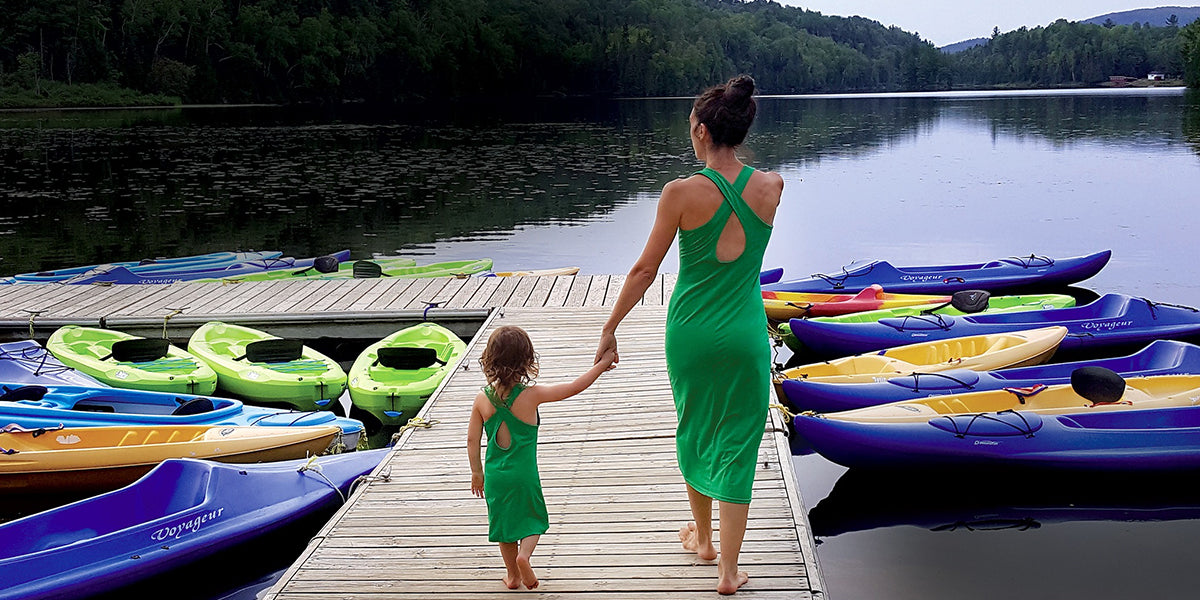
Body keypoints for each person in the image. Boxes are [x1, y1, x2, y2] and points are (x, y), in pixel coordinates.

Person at [593, 74, 782, 595]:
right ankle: (727, 570)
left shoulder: (679, 194)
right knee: (739, 442)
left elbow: (642, 272)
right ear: (739, 130)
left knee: (696, 427)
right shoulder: (772, 187)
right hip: (744, 333)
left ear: (700, 131)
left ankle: (703, 539)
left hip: (691, 332)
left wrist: (610, 327)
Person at [467, 325, 617, 590]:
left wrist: (477, 473)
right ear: (527, 360)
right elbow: (573, 387)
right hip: (524, 476)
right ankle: (525, 556)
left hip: (495, 477)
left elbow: (472, 440)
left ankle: (512, 576)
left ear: (489, 359)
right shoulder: (531, 396)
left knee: (504, 527)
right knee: (534, 519)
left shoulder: (482, 399)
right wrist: (602, 364)